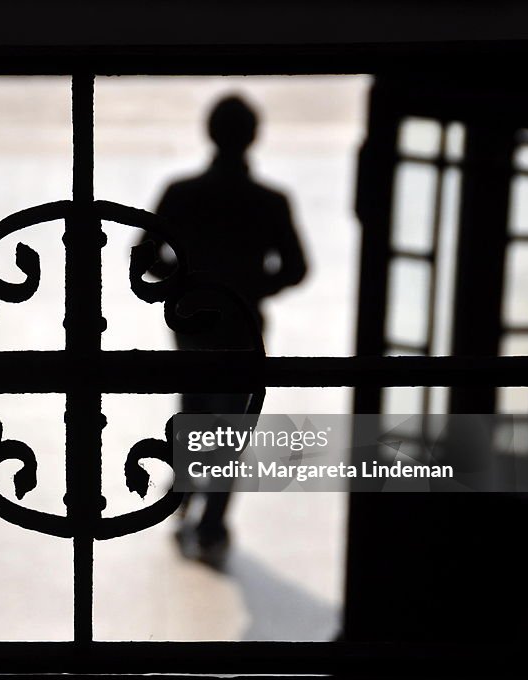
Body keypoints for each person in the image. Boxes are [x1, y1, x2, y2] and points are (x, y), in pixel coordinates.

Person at [139, 94, 308, 565]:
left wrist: (183, 283)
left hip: (191, 321)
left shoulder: (180, 193)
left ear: (208, 132)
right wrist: (250, 286)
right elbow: (295, 267)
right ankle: (211, 521)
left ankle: (186, 495)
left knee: (194, 407)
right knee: (232, 423)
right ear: (254, 136)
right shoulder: (270, 202)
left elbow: (145, 257)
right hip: (245, 325)